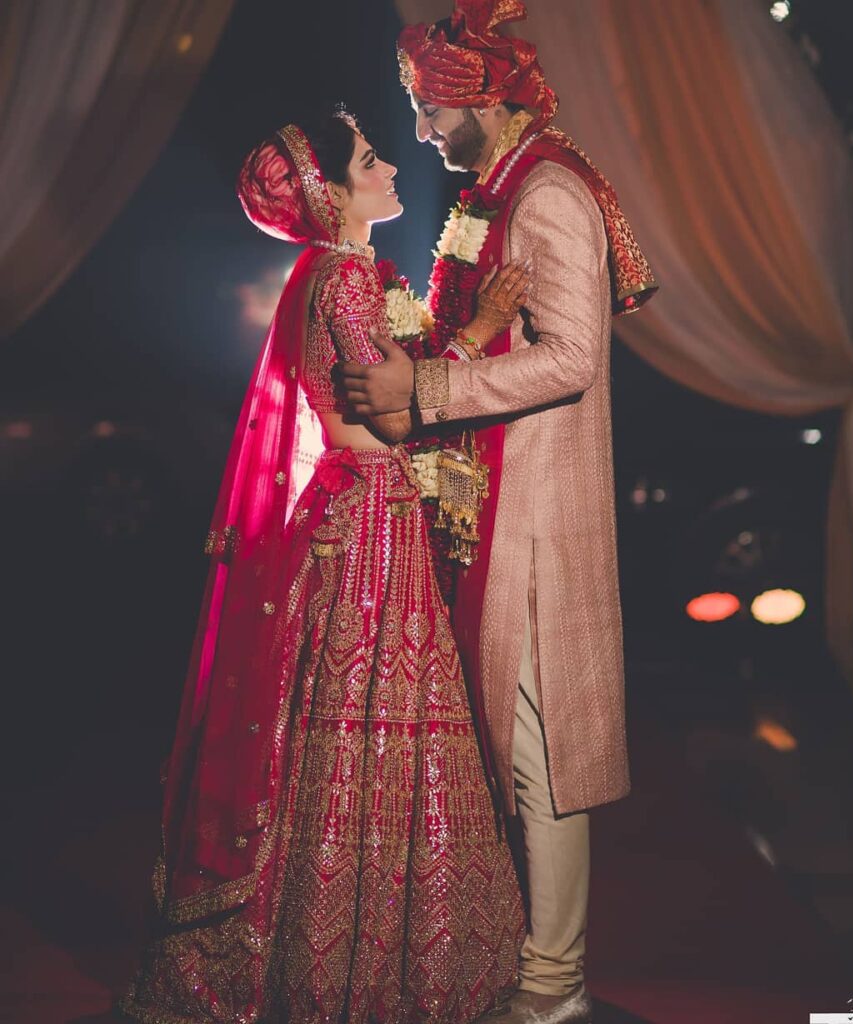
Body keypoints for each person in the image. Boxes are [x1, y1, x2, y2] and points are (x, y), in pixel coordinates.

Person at [120, 110, 529, 1024]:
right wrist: (477, 336)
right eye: (370, 161)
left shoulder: (327, 274)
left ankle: (316, 955)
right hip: (373, 518)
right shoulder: (345, 277)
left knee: (328, 746)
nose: (389, 168)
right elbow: (378, 421)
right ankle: (357, 975)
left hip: (352, 519)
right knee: (373, 740)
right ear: (332, 196)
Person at [337, 4, 658, 1022]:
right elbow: (466, 318)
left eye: (431, 108)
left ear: (480, 97)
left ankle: (554, 985)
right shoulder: (494, 188)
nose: (423, 130)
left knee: (540, 747)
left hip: (537, 507)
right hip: (484, 498)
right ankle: (511, 961)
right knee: (499, 744)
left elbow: (572, 355)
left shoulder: (549, 190)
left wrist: (424, 395)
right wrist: (411, 342)